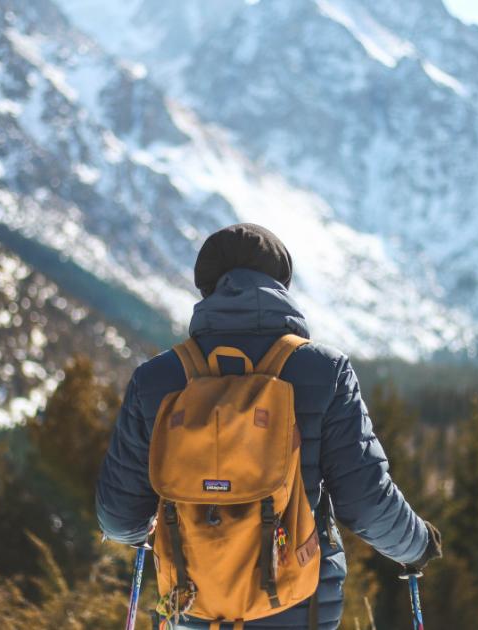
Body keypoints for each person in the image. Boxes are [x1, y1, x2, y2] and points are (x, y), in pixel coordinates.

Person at [97, 223, 442, 629]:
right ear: (281, 285)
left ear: (206, 288)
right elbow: (365, 500)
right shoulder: (325, 371)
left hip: (194, 607)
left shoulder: (157, 379)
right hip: (297, 606)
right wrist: (417, 545)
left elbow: (119, 519)